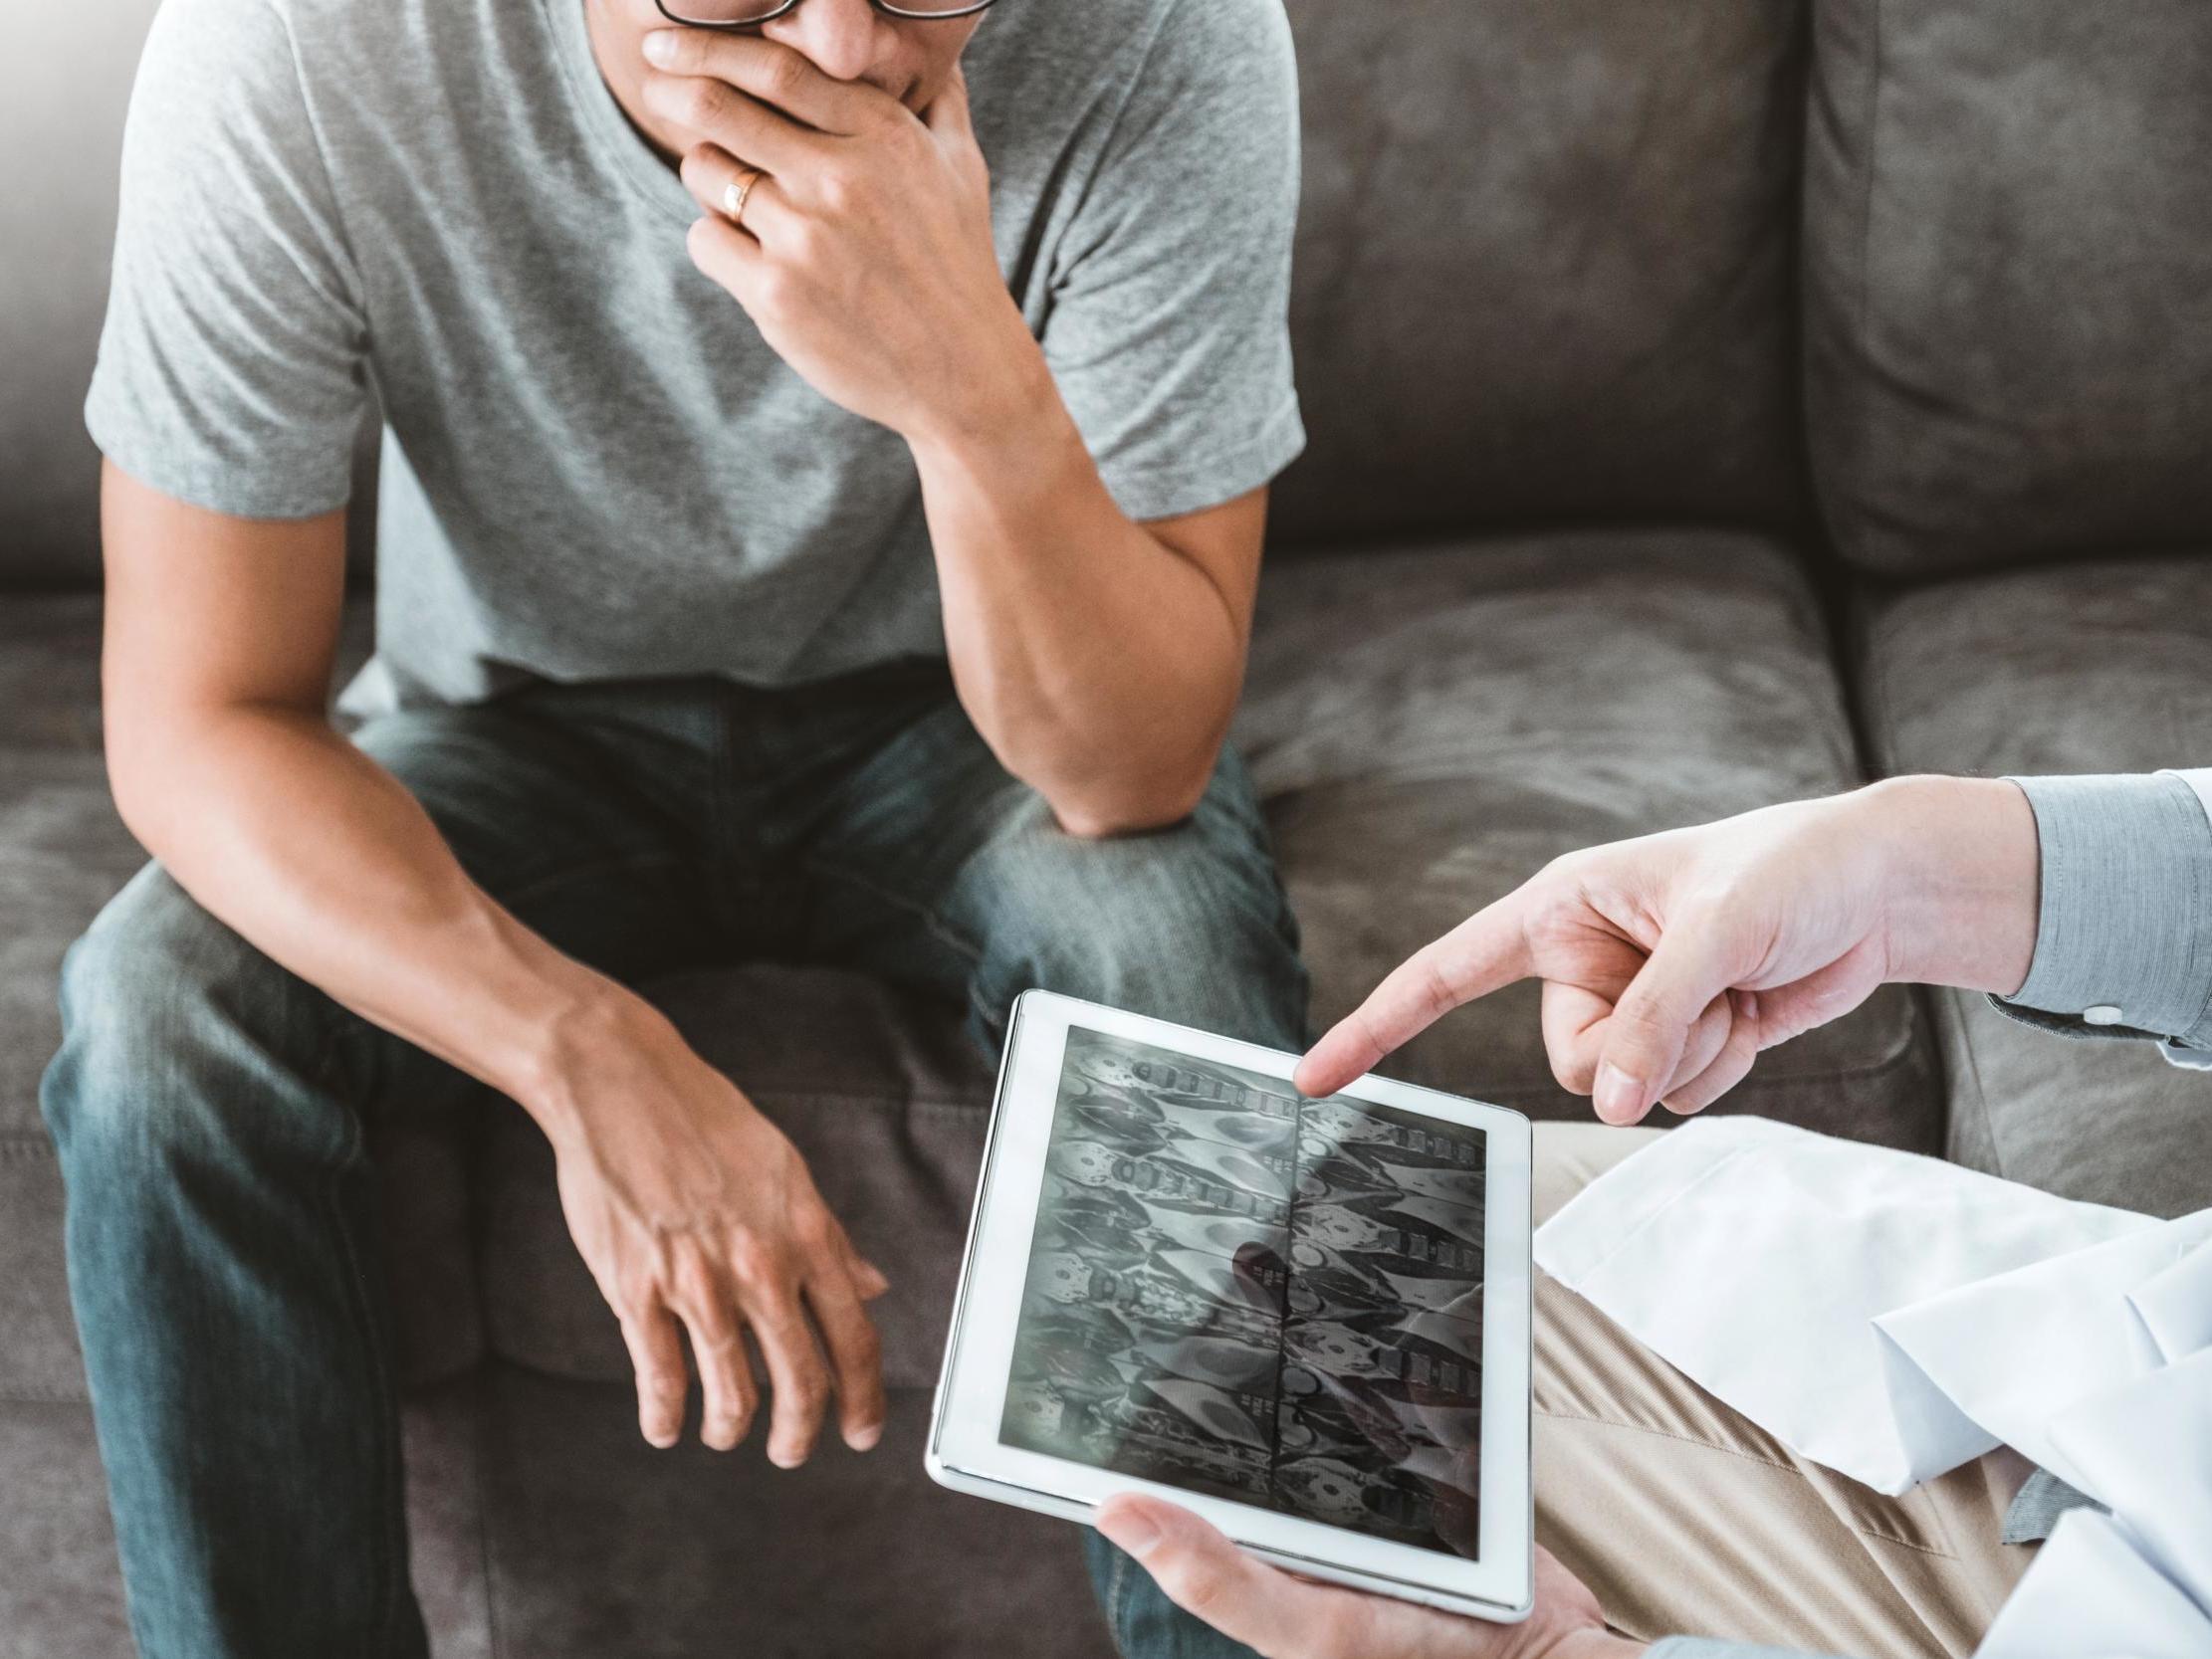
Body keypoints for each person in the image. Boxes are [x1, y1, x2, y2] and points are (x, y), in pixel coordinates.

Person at [41, 0, 1309, 1653]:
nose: (847, 46)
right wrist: (578, 1047)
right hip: (519, 726)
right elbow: (196, 716)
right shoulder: (301, 41)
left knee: (1172, 954)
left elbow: (1128, 773)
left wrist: (965, 386)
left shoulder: (1173, 34)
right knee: (160, 1015)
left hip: (976, 721)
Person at [1095, 769, 2212, 1659]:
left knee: (1256, 1460)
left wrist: (1547, 1654)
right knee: (1362, 1222)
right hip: (2139, 1413)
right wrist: (1892, 864)